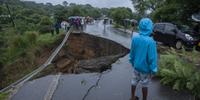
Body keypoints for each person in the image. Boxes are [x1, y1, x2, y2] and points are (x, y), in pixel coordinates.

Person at [129, 18, 158, 100]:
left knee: (134, 81)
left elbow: (132, 52)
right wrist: (153, 70)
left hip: (136, 66)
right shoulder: (151, 42)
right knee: (144, 84)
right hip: (145, 69)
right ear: (150, 27)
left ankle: (132, 96)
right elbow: (152, 58)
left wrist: (131, 61)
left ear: (140, 26)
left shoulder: (135, 38)